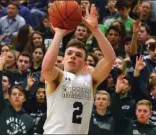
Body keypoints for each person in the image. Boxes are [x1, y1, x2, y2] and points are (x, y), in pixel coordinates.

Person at [41, 4, 116, 134]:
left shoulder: (90, 80)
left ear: (84, 63)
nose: (73, 56)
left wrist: (95, 30)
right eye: (69, 53)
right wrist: (58, 34)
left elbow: (110, 59)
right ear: (63, 59)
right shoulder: (58, 77)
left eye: (78, 55)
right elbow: (46, 68)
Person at [0, 52, 34, 134]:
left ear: (24, 99)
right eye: (14, 94)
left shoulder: (29, 119)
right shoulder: (1, 109)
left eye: (20, 94)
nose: (17, 96)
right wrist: (0, 67)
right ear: (9, 97)